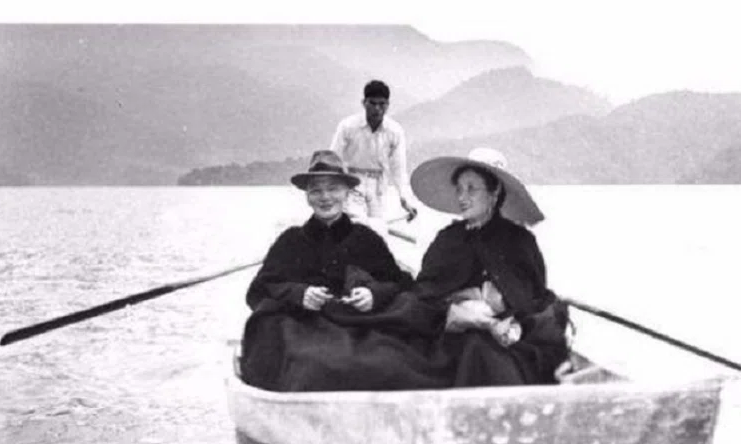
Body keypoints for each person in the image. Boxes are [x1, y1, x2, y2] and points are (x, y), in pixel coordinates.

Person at [238, 150, 445, 392]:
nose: (325, 197)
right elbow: (258, 291)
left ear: (347, 193)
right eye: (316, 190)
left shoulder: (366, 239)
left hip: (360, 326)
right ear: (307, 196)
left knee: (390, 362)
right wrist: (299, 294)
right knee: (313, 366)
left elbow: (400, 283)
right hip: (305, 328)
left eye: (333, 189)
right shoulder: (291, 241)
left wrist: (374, 295)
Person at [409, 148, 571, 387]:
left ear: (494, 193)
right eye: (460, 189)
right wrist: (460, 307)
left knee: (488, 353)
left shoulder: (519, 240)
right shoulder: (448, 238)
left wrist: (504, 311)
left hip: (510, 336)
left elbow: (534, 298)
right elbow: (424, 292)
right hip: (450, 335)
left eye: (472, 189)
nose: (463, 197)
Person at [330, 80, 418, 226]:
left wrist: (405, 199)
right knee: (356, 227)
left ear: (388, 105)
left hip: (378, 187)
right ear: (364, 103)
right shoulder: (348, 126)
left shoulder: (395, 131)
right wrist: (330, 191)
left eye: (382, 104)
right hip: (352, 183)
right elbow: (333, 159)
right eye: (373, 103)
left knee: (376, 231)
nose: (377, 109)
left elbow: (399, 169)